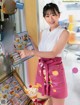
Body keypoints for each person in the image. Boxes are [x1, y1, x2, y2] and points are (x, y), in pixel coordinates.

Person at [17, 3, 69, 105]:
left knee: (57, 101)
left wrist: (31, 52)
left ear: (59, 14)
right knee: (42, 102)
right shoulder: (43, 32)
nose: (51, 18)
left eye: (53, 14)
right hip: (41, 70)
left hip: (55, 71)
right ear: (44, 17)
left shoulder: (64, 33)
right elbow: (40, 53)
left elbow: (53, 53)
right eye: (47, 16)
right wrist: (31, 42)